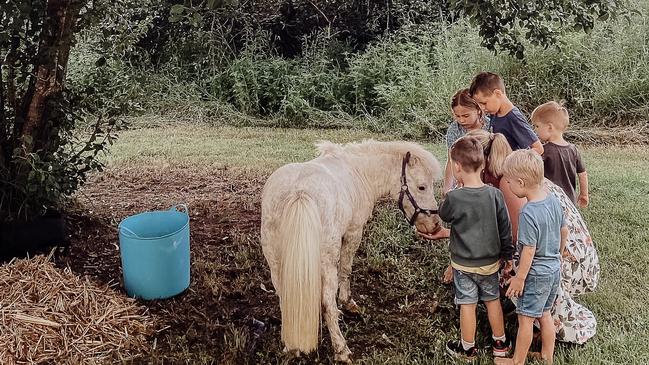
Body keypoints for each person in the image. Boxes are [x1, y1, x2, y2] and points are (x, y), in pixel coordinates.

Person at [466, 129, 600, 345]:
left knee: (501, 263)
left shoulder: (507, 183)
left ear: (481, 162)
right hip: (559, 251)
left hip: (556, 257)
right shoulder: (519, 175)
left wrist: (516, 272)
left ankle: (534, 318)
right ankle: (542, 327)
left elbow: (523, 241)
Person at [438, 136, 513, 361]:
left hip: (462, 264)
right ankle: (500, 343)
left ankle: (468, 348)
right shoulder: (494, 194)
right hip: (489, 262)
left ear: (457, 167)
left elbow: (444, 215)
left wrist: (450, 195)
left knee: (467, 304)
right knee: (492, 301)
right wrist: (508, 255)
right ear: (483, 165)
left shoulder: (454, 198)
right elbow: (505, 228)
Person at [495, 150, 566, 365]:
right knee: (545, 314)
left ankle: (517, 361)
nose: (507, 185)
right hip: (553, 269)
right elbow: (564, 231)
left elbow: (528, 250)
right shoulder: (553, 200)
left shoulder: (528, 212)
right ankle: (547, 356)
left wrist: (520, 278)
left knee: (525, 318)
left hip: (535, 273)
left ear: (521, 182)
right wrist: (559, 255)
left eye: (509, 182)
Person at [469, 72, 544, 155]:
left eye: (484, 103)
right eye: (479, 104)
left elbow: (538, 149)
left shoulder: (514, 118)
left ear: (498, 93)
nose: (482, 108)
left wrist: (514, 161)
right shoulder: (494, 113)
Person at [531, 101, 589, 207]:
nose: (535, 130)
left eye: (537, 126)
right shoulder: (573, 150)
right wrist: (584, 194)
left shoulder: (543, 151)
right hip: (570, 200)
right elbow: (582, 174)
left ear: (549, 127)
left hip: (550, 200)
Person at [443, 88, 492, 195]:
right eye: (457, 116)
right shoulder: (454, 129)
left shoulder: (491, 126)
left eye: (466, 116)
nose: (461, 120)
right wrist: (447, 187)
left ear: (479, 110)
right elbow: (451, 160)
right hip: (463, 183)